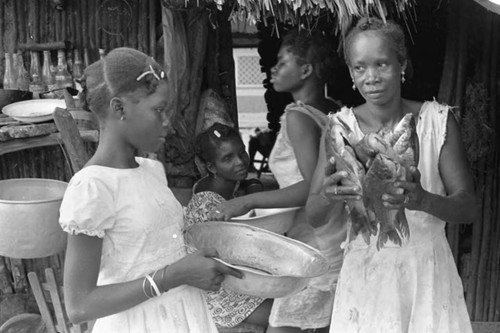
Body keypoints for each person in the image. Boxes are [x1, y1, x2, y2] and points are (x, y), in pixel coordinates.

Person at [306, 18, 478, 333]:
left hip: (427, 272)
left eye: (382, 64)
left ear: (402, 64)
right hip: (366, 275)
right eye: (360, 68)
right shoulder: (340, 130)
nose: (371, 77)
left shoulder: (436, 123)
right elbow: (314, 216)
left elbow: (467, 207)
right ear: (350, 73)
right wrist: (327, 196)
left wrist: (424, 200)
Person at [58, 47, 242, 333]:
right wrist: (172, 276)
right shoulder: (92, 188)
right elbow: (79, 305)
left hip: (183, 316)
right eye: (158, 110)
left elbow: (157, 248)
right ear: (119, 108)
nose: (168, 121)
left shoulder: (151, 169)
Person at [211, 30, 343, 333]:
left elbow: (312, 187)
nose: (274, 69)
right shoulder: (330, 109)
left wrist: (247, 200)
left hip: (313, 243)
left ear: (306, 70)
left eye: (283, 62)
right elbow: (308, 174)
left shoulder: (297, 116)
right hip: (334, 235)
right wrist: (261, 181)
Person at [184, 122, 272, 329]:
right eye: (227, 159)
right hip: (221, 295)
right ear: (212, 167)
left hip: (232, 282)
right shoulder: (210, 206)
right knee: (290, 314)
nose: (240, 162)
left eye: (242, 152)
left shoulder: (221, 187)